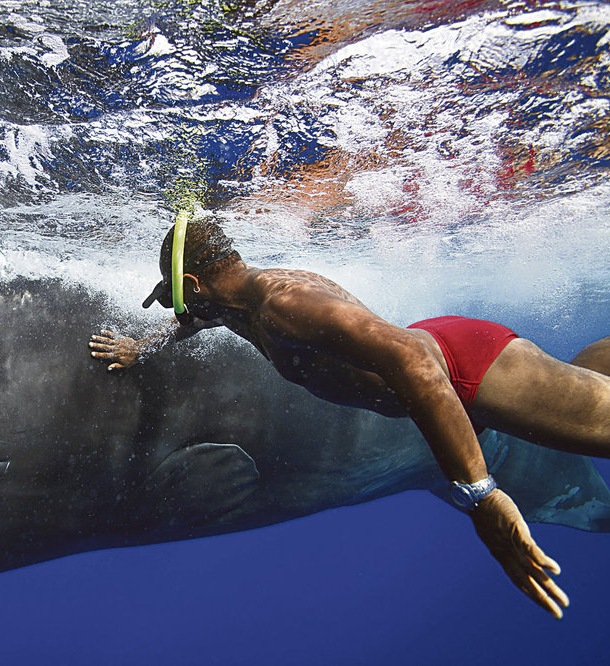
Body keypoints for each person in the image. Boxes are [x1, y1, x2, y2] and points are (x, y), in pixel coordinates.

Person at [89, 214, 610, 620]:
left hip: (464, 369)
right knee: (579, 389)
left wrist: (480, 493)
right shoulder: (234, 302)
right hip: (442, 355)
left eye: (178, 293)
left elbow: (413, 363)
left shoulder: (283, 303)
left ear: (193, 280)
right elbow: (197, 319)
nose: (180, 308)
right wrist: (144, 347)